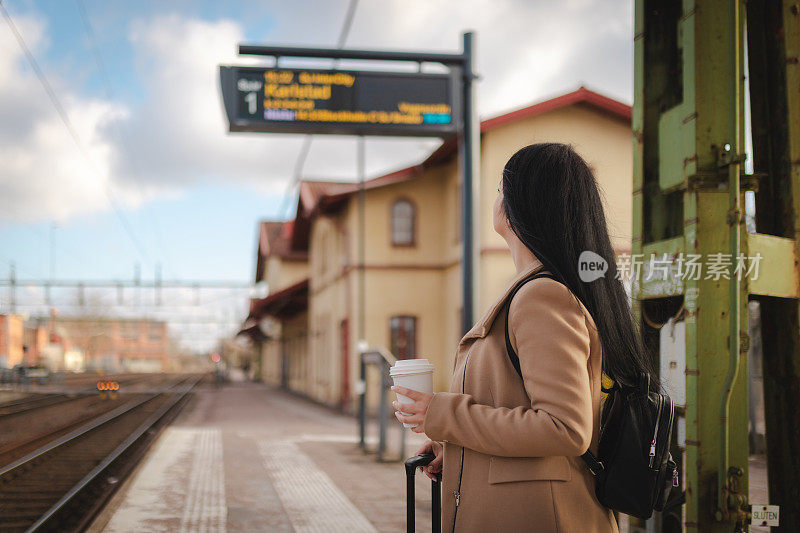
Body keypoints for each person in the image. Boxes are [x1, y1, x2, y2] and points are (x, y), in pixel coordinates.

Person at [392, 143, 656, 532]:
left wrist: (442, 413)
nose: (496, 199)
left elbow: (563, 427)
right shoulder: (537, 291)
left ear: (517, 206)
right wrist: (458, 448)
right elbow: (518, 410)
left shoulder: (541, 297)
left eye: (501, 188)